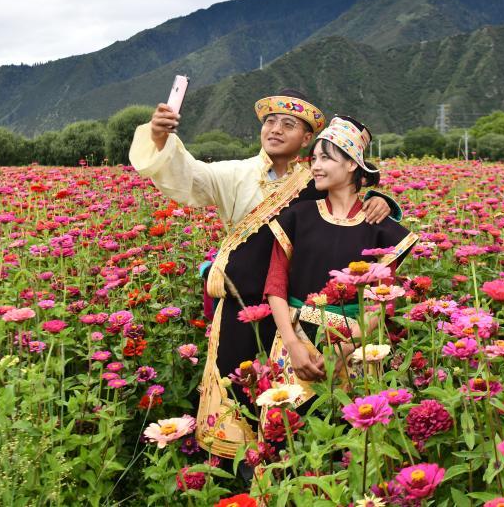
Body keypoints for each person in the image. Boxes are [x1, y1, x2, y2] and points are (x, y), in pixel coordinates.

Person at [128, 90, 399, 458]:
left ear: (307, 138)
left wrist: (381, 200)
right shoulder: (235, 174)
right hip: (242, 308)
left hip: (295, 314)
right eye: (270, 121)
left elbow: (348, 205)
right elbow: (189, 176)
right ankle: (241, 476)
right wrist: (160, 137)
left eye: (288, 124)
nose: (275, 129)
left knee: (291, 408)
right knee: (236, 390)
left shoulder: (315, 179)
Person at [262, 116, 418, 407]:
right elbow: (276, 283)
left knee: (355, 425)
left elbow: (383, 300)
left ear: (351, 164)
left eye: (326, 158)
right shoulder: (298, 216)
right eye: (314, 158)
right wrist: (292, 343)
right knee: (287, 424)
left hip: (357, 343)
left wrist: (345, 347)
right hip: (295, 339)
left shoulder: (381, 228)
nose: (316, 166)